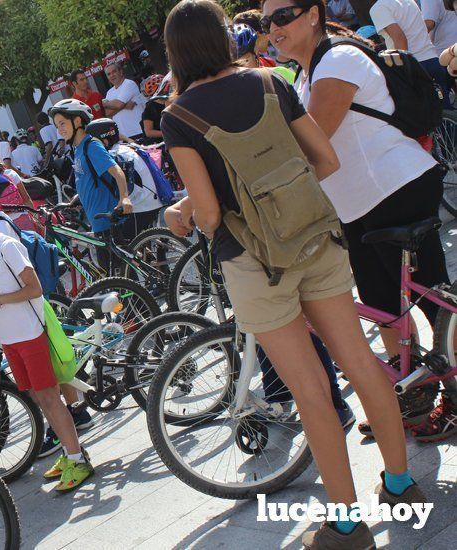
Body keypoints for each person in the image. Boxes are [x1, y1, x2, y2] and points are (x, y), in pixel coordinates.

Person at [164, 2, 424, 547]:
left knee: (309, 389)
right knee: (359, 358)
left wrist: (184, 214)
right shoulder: (272, 82)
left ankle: (347, 527)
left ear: (177, 52)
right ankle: (400, 487)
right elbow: (324, 160)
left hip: (255, 263)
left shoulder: (179, 115)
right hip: (316, 239)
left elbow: (209, 215)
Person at [270, 0, 455, 441]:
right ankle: (408, 394)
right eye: (265, 21)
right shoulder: (304, 75)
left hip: (397, 188)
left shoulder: (339, 59)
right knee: (383, 309)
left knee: (434, 301)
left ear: (312, 14)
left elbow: (312, 147)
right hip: (358, 207)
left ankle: (453, 395)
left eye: (281, 16)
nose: (271, 28)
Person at [0, 193, 95, 492]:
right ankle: (69, 452)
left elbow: (34, 289)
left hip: (29, 335)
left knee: (50, 397)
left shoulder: (7, 247)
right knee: (38, 398)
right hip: (10, 338)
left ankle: (78, 459)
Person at [49, 98, 133, 269]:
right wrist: (77, 198)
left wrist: (124, 197)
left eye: (63, 123)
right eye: (57, 126)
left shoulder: (91, 146)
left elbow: (117, 171)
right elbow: (88, 178)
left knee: (121, 275)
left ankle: (140, 297)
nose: (60, 130)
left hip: (109, 220)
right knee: (112, 275)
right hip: (97, 222)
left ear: (77, 121)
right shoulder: (77, 149)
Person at [85, 118, 163, 237]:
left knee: (120, 244)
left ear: (105, 141)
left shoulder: (114, 155)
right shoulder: (126, 148)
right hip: (153, 199)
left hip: (141, 205)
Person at [370, 0, 452, 108]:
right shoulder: (408, 1)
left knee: (422, 117)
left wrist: (403, 71)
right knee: (445, 113)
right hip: (433, 60)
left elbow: (400, 38)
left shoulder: (379, 7)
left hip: (413, 66)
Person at [232, 24, 297, 83]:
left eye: (245, 61)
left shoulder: (281, 74)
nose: (240, 68)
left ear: (256, 53)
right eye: (234, 65)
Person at [101, 62, 147, 140]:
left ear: (121, 72)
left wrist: (105, 104)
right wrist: (125, 106)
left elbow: (118, 104)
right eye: (109, 74)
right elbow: (108, 113)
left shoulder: (129, 84)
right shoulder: (109, 92)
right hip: (124, 136)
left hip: (138, 131)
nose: (112, 75)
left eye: (114, 72)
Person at [140, 74, 172, 144]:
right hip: (160, 144)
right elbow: (148, 132)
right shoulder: (150, 107)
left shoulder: (172, 100)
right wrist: (170, 134)